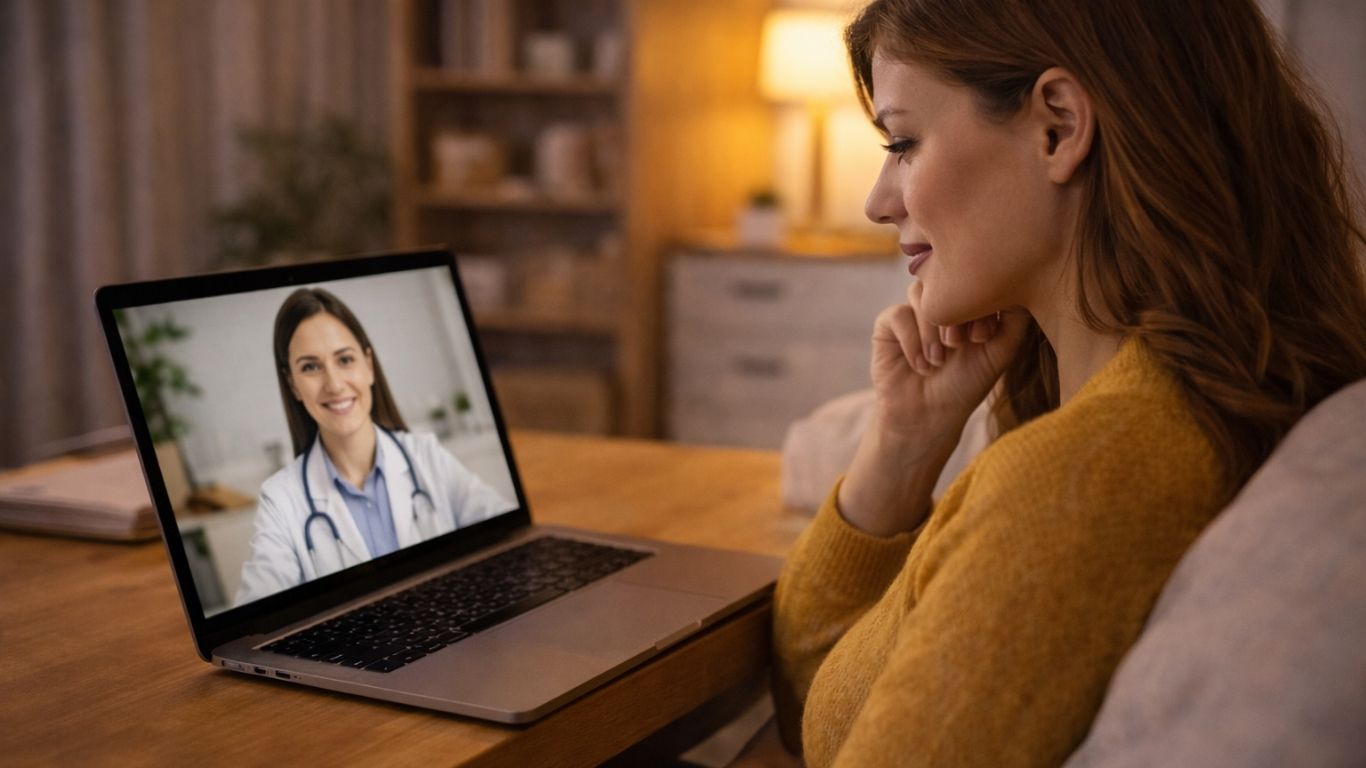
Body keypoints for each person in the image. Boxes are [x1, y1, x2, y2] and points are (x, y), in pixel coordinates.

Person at [760, 0, 1366, 766]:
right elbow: (823, 710)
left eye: (905, 142)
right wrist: (903, 445)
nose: (878, 202)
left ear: (1059, 127)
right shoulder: (1165, 402)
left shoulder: (1079, 480)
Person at [236, 288, 513, 606]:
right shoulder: (282, 500)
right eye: (311, 367)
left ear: (368, 365)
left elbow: (507, 533)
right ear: (292, 384)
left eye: (345, 360)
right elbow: (253, 607)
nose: (335, 384)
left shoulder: (426, 455)